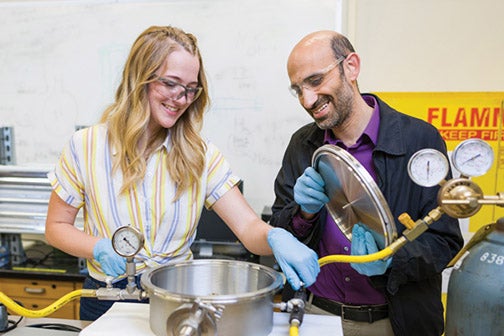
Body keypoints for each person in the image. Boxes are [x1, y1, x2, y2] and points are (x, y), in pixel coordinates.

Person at [44, 25, 320, 321]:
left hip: (174, 302)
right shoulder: (86, 146)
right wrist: (97, 247)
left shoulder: (200, 155)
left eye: (190, 89)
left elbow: (248, 229)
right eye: (171, 83)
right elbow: (56, 226)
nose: (181, 98)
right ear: (141, 78)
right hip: (107, 298)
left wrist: (276, 236)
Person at [270, 30, 463, 336]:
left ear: (351, 67)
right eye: (298, 90)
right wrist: (303, 214)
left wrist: (390, 262)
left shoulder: (419, 140)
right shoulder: (302, 144)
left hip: (395, 322)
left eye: (316, 81)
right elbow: (280, 234)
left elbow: (445, 242)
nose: (307, 100)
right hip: (318, 313)